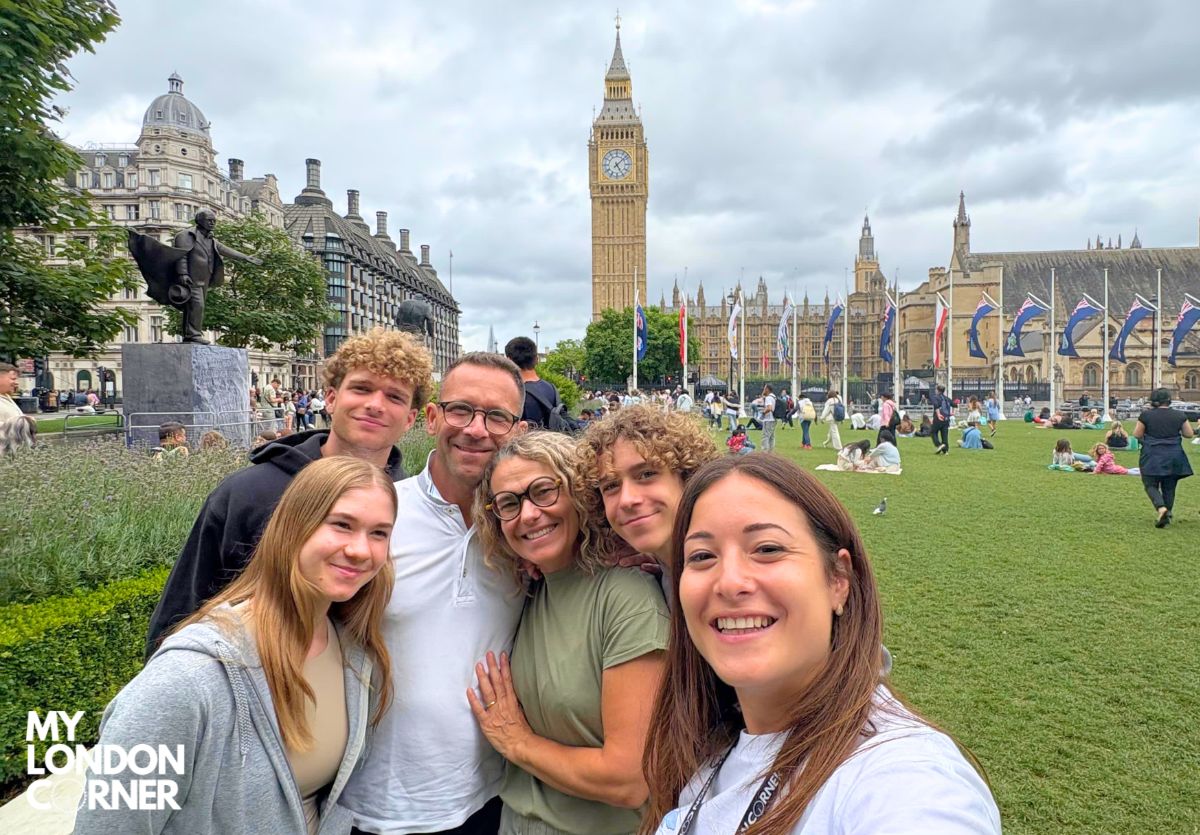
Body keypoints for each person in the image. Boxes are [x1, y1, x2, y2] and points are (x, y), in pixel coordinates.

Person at [640, 455, 1000, 834]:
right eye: (702, 556)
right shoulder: (711, 737)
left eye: (767, 549)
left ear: (839, 579)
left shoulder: (905, 778)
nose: (729, 582)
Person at [73, 457, 398, 835]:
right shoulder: (185, 681)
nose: (361, 550)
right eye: (342, 524)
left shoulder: (353, 654)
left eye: (379, 533)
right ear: (294, 525)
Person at [146, 328, 430, 655]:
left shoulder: (413, 507)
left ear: (410, 419)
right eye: (362, 388)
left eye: (394, 397)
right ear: (332, 398)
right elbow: (180, 615)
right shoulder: (247, 494)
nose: (375, 405)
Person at [340, 352, 529, 835]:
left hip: (489, 797)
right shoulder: (378, 515)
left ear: (518, 431)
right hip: (374, 804)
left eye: (497, 417)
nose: (476, 430)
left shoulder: (526, 532)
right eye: (461, 410)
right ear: (432, 418)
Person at [467, 432, 668, 834]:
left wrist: (517, 742)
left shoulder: (626, 598)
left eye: (543, 491)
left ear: (579, 493)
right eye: (509, 503)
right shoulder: (529, 587)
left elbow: (627, 781)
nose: (528, 515)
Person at [1134, 388, 1195, 527]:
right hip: (1174, 454)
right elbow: (1189, 434)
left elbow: (1137, 434)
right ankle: (1168, 512)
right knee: (1169, 486)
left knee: (1150, 484)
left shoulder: (1146, 415)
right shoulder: (1179, 415)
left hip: (1152, 454)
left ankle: (1162, 509)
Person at [506, 335, 563, 430]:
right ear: (536, 359)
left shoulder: (512, 393)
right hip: (552, 439)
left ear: (509, 361)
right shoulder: (552, 388)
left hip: (525, 439)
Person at [753, 384, 778, 452]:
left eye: (764, 388)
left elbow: (769, 408)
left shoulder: (768, 398)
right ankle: (770, 452)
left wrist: (763, 413)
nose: (763, 390)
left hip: (768, 419)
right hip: (773, 419)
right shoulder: (774, 397)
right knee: (771, 437)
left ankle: (764, 452)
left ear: (767, 389)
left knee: (765, 436)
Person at [930, 384, 952, 453]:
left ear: (937, 390)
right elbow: (954, 404)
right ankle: (945, 450)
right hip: (946, 418)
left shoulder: (935, 397)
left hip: (938, 418)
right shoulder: (946, 398)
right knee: (944, 434)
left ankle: (939, 445)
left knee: (933, 432)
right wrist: (952, 412)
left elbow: (936, 405)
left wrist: (938, 414)